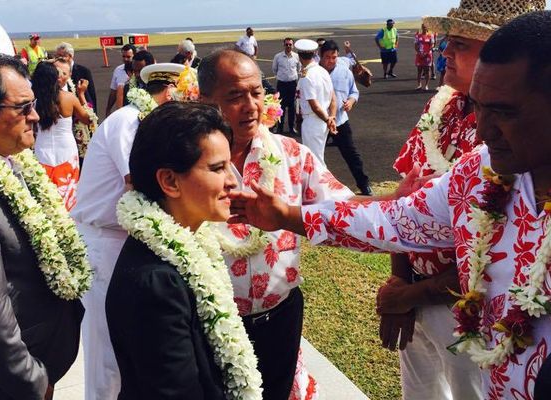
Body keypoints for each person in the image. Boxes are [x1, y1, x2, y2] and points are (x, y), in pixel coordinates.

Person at [235, 9, 551, 400]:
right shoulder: (478, 171)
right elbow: (398, 220)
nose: (484, 129)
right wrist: (286, 215)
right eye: (480, 106)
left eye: (504, 112)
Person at [198, 47, 357, 400]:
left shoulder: (291, 153)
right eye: (235, 96)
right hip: (210, 323)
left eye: (256, 92)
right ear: (204, 100)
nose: (251, 105)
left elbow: (346, 207)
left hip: (280, 315)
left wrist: (401, 202)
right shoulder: (186, 165)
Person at [0, 50, 88, 400]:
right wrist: (34, 382)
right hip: (2, 387)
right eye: (23, 108)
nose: (36, 116)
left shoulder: (11, 163)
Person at [106, 101, 263, 399]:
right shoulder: (156, 283)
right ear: (169, 181)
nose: (232, 180)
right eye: (217, 168)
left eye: (229, 166)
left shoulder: (190, 242)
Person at [72, 63, 192, 400]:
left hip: (126, 241)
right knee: (106, 349)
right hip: (103, 241)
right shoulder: (129, 122)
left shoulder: (146, 122)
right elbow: (136, 184)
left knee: (129, 343)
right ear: (168, 92)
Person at [31, 61, 92, 211]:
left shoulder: (33, 101)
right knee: (69, 190)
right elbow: (87, 119)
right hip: (66, 149)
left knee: (45, 190)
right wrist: (82, 94)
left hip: (42, 149)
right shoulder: (69, 98)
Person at [319, 40, 372, 196]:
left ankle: (364, 185)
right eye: (327, 57)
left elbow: (354, 92)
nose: (331, 60)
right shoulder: (314, 73)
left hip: (340, 121)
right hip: (320, 122)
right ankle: (317, 189)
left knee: (351, 155)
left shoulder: (345, 72)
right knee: (315, 156)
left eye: (334, 57)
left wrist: (351, 101)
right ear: (320, 56)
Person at [295, 39, 337, 166]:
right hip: (322, 120)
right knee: (315, 158)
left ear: (299, 55)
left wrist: (328, 120)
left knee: (315, 162)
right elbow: (333, 98)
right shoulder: (323, 71)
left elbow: (314, 105)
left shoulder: (307, 76)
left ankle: (325, 186)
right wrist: (332, 118)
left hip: (313, 120)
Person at [56, 41, 97, 112]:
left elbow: (91, 94)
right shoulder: (55, 71)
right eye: (57, 56)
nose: (58, 58)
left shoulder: (83, 71)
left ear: (70, 56)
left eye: (61, 56)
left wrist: (94, 115)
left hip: (81, 111)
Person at [272, 37, 300, 135]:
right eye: (286, 44)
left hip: (292, 84)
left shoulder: (296, 57)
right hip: (282, 85)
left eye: (290, 44)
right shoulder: (278, 57)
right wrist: (282, 77)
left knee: (292, 107)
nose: (288, 46)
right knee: (281, 107)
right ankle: (280, 129)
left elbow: (298, 69)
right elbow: (274, 69)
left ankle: (292, 129)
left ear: (292, 45)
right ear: (284, 45)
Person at [105, 44, 136, 116]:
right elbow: (113, 92)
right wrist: (108, 109)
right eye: (123, 56)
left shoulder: (141, 71)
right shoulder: (118, 70)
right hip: (123, 111)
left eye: (128, 57)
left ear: (135, 55)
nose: (125, 59)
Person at [414, 24, 435, 90]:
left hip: (428, 55)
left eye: (425, 27)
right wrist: (419, 52)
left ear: (427, 28)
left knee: (427, 70)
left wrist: (426, 53)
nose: (424, 28)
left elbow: (432, 45)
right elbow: (415, 45)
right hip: (419, 54)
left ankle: (426, 85)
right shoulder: (418, 35)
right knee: (419, 70)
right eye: (423, 27)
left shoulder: (430, 35)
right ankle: (419, 85)